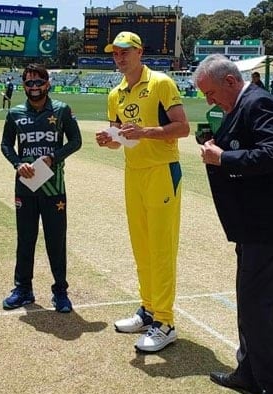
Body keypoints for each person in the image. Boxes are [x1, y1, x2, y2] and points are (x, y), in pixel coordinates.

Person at [193, 54, 273, 394]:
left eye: (211, 93)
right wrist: (217, 146)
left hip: (272, 224)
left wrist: (223, 157)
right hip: (253, 224)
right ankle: (249, 372)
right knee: (248, 303)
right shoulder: (239, 106)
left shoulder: (260, 102)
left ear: (230, 82)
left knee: (257, 307)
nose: (209, 101)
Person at [95, 31, 190, 352]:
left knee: (161, 248)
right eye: (114, 53)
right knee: (142, 247)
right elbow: (123, 138)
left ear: (139, 52)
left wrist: (145, 131)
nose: (118, 58)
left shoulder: (161, 83)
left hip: (162, 172)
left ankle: (165, 321)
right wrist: (109, 140)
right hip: (133, 173)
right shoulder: (115, 94)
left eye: (124, 52)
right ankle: (149, 309)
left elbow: (183, 127)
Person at [0, 63, 82, 313]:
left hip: (53, 187)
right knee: (25, 239)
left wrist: (53, 158)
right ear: (23, 85)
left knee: (55, 241)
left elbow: (76, 141)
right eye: (29, 83)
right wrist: (17, 163)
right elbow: (5, 145)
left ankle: (60, 291)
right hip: (25, 187)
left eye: (39, 82)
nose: (34, 87)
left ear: (47, 84)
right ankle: (23, 289)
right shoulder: (14, 113)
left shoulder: (61, 109)